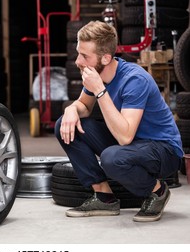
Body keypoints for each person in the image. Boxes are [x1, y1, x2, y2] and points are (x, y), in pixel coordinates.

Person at [55, 21, 183, 222]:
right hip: (133, 143)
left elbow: (125, 136)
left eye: (85, 56)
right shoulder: (96, 73)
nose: (78, 61)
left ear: (105, 58)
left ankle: (158, 192)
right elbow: (84, 106)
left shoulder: (134, 79)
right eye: (78, 53)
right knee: (66, 123)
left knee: (112, 158)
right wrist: (72, 109)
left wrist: (99, 90)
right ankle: (104, 197)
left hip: (163, 149)